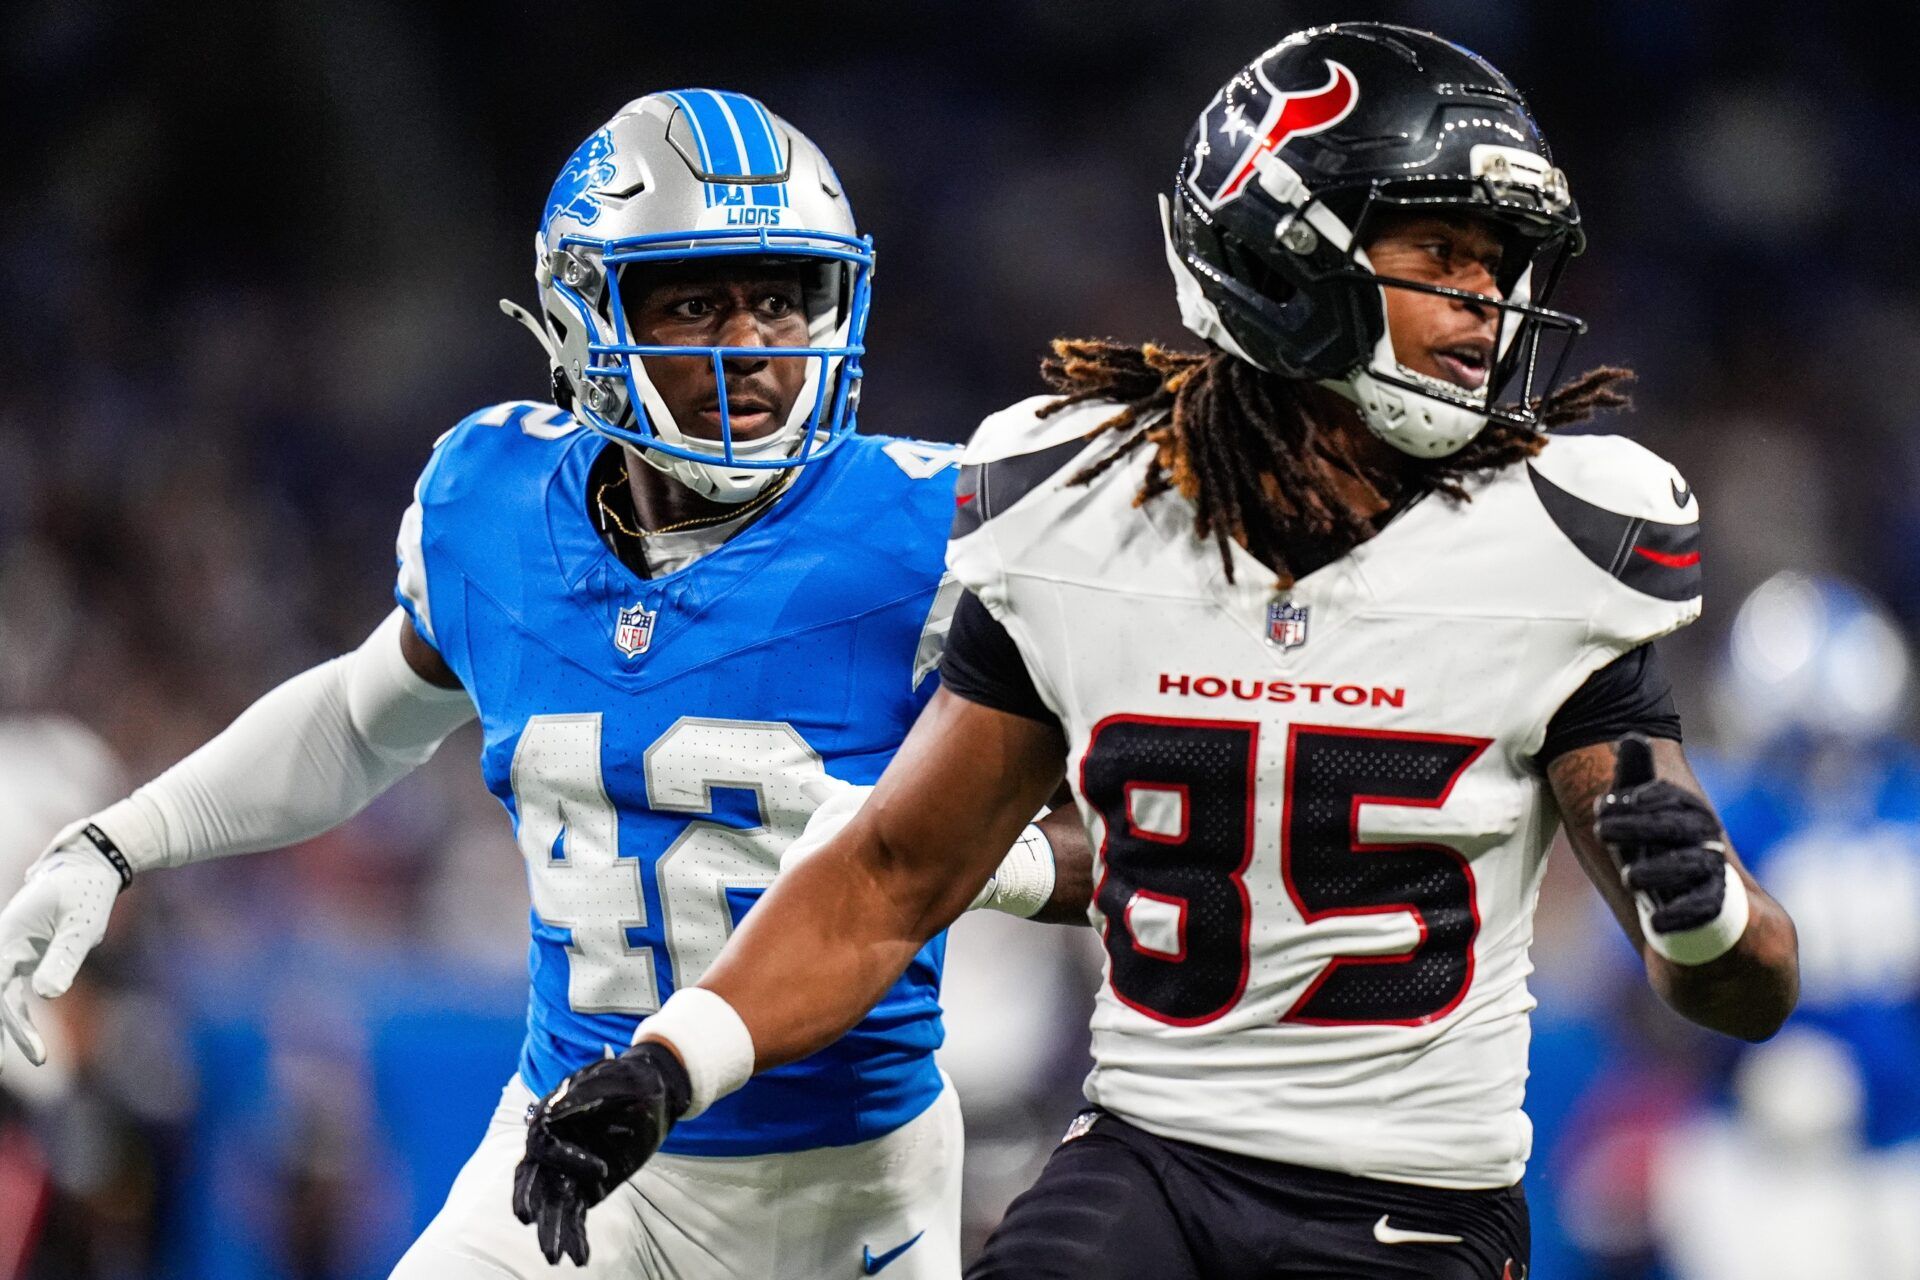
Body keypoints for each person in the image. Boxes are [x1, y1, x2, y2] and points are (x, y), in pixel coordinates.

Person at [506, 27, 1801, 1280]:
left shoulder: (1561, 539)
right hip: (1151, 1166)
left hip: (1414, 1202)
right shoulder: (1081, 511)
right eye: (1443, 253)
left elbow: (1741, 988)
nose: (1489, 302)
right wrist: (668, 1065)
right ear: (1285, 256)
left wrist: (1706, 923)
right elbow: (894, 873)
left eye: (1503, 265)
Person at [0, 89, 1089, 1280]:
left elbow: (1146, 829)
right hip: (567, 1147)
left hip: (839, 1178)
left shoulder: (938, 529)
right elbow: (361, 723)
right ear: (584, 311)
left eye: (780, 296)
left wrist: (948, 852)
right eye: (696, 300)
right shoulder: (495, 498)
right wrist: (119, 842)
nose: (752, 345)